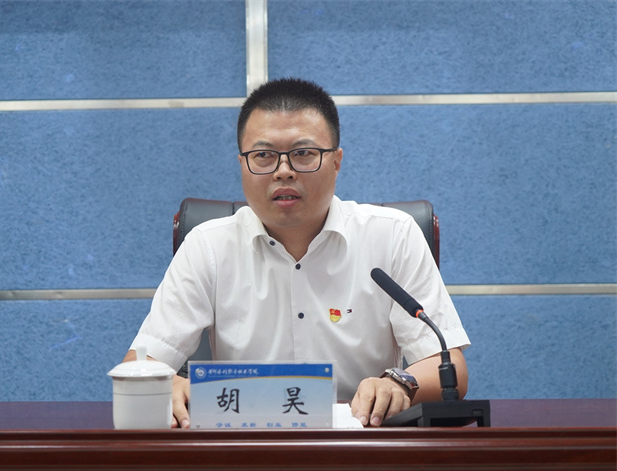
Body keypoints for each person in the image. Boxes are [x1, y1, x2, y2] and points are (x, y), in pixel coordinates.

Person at [123, 77, 470, 428]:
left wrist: (400, 383)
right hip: (245, 444)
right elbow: (139, 365)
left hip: (361, 442)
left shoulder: (393, 236)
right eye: (263, 156)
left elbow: (449, 367)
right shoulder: (208, 246)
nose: (284, 171)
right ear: (242, 164)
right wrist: (166, 385)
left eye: (303, 154)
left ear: (336, 161)